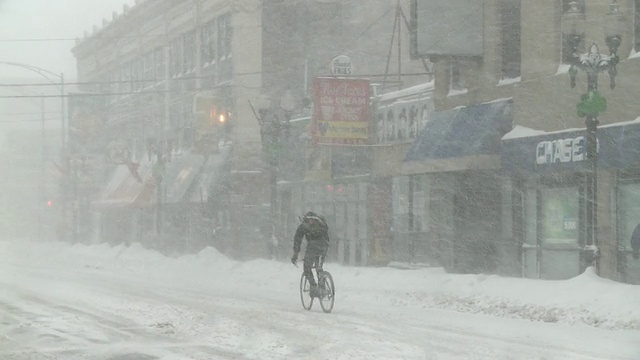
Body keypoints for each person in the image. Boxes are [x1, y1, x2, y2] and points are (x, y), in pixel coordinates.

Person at [291, 211, 330, 297]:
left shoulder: (303, 226)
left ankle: (314, 288)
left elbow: (297, 240)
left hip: (312, 247)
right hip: (324, 247)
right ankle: (322, 287)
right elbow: (326, 236)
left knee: (307, 268)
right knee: (319, 267)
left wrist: (295, 254)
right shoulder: (321, 223)